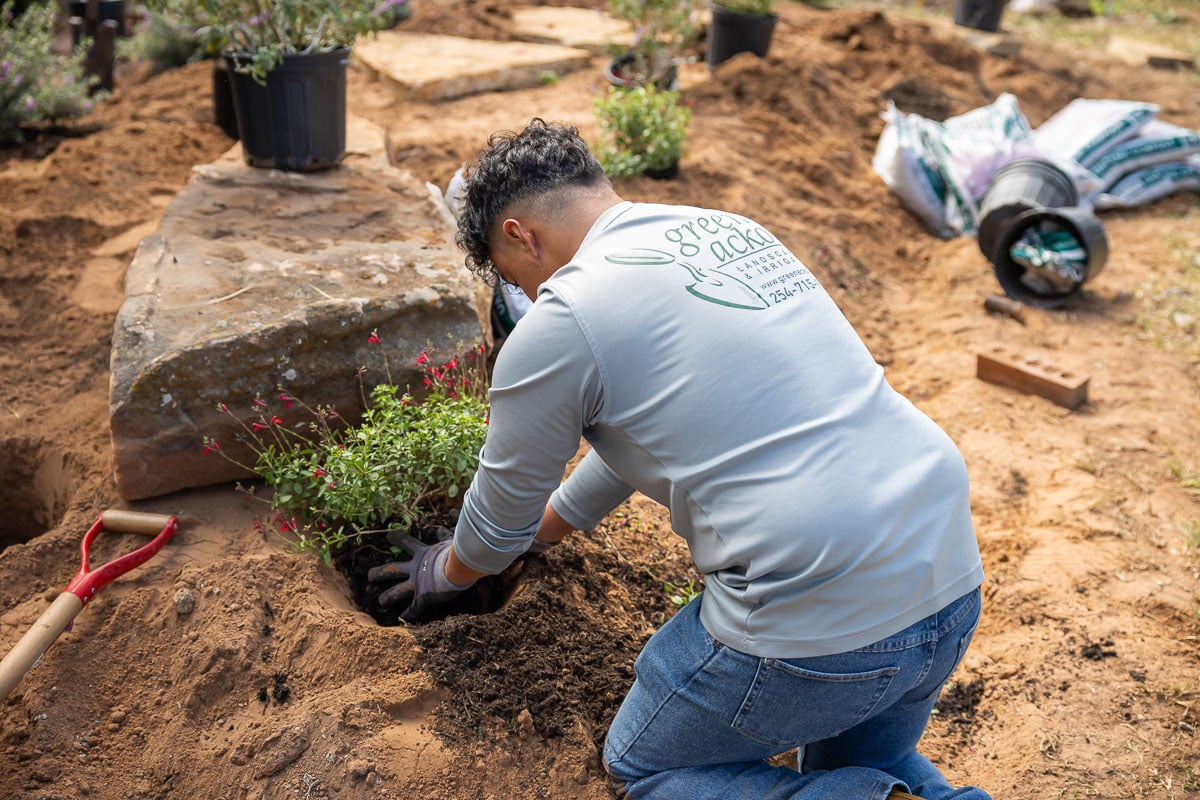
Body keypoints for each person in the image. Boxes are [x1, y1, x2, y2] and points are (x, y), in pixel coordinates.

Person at [367, 119, 991, 800]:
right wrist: (552, 527)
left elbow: (495, 524)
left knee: (648, 767)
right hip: (948, 575)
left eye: (514, 277)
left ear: (520, 234)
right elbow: (661, 431)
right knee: (863, 760)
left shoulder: (566, 318)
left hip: (819, 607)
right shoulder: (727, 233)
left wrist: (448, 568)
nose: (526, 294)